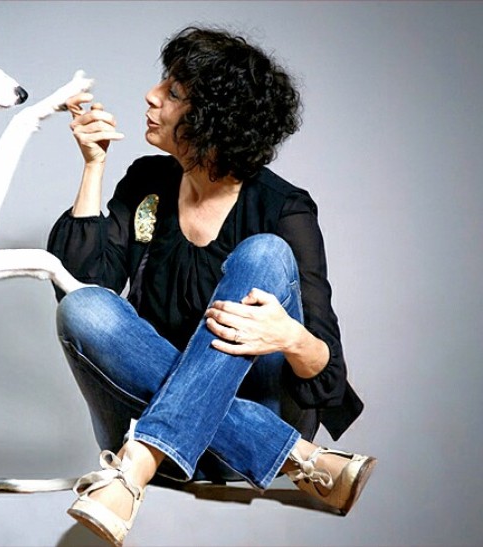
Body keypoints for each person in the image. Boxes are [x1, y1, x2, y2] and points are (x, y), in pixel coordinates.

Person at [47, 25, 376, 546]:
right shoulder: (147, 183)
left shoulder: (283, 209)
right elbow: (86, 288)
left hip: (213, 427)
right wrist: (94, 167)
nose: (151, 96)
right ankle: (297, 457)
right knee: (81, 308)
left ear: (213, 119)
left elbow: (327, 375)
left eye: (174, 92)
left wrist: (291, 338)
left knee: (265, 252)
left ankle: (134, 468)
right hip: (172, 424)